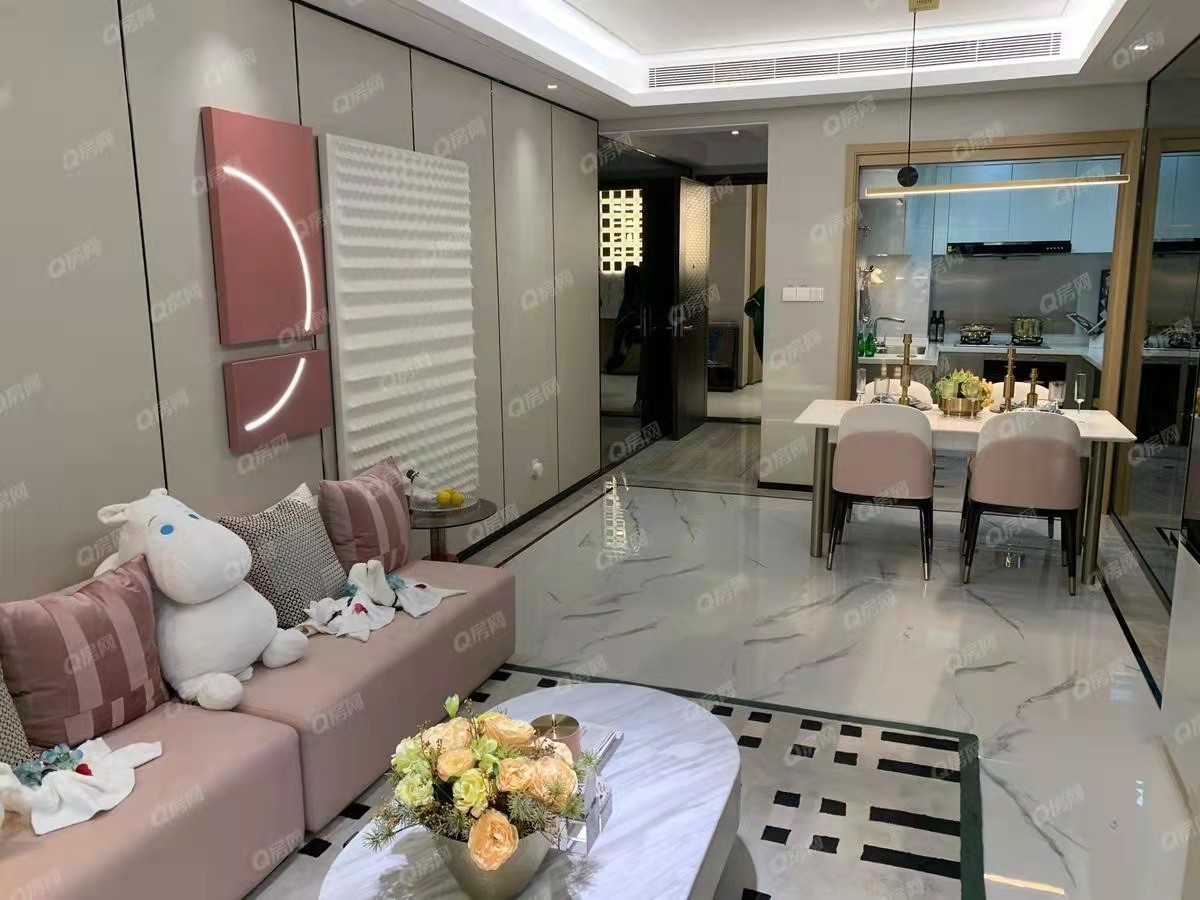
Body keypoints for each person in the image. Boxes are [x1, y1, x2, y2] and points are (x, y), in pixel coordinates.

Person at [604, 263, 642, 373]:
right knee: (622, 338)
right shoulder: (635, 292)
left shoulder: (631, 294)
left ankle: (616, 360)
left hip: (629, 318)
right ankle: (617, 359)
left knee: (621, 337)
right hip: (631, 318)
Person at [744, 285, 764, 362]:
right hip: (762, 333)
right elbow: (748, 309)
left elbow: (748, 310)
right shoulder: (763, 291)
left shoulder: (763, 291)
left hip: (763, 334)